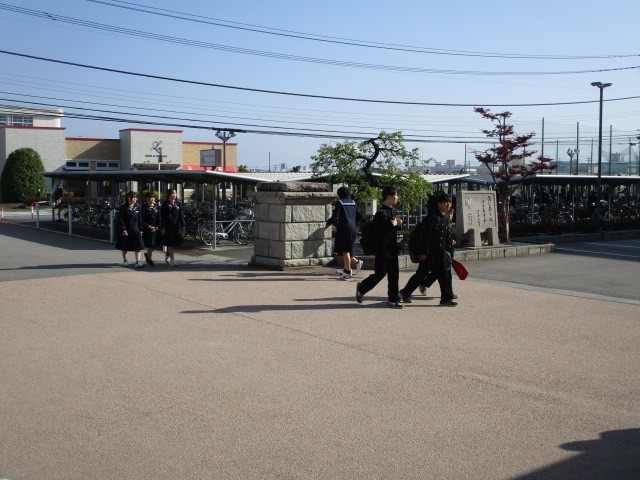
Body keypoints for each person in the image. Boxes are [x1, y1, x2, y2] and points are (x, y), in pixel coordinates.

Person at [399, 192, 456, 306]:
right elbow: (426, 236)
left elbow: (443, 236)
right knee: (421, 274)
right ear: (439, 203)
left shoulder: (444, 218)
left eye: (449, 202)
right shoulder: (432, 217)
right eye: (446, 202)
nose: (448, 204)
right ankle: (405, 292)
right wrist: (423, 252)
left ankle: (446, 298)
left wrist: (450, 241)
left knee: (445, 275)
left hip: (440, 252)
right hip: (430, 253)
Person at [355, 185, 404, 308]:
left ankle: (393, 299)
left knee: (394, 274)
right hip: (382, 249)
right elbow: (377, 232)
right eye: (395, 195)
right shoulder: (380, 213)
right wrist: (391, 224)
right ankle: (361, 288)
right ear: (389, 197)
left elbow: (391, 230)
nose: (397, 197)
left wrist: (398, 225)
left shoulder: (393, 211)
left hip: (392, 248)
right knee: (380, 273)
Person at [325, 186, 364, 280]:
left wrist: (327, 224)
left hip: (344, 228)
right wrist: (365, 223)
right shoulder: (353, 202)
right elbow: (359, 215)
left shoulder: (340, 202)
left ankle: (347, 271)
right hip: (353, 228)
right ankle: (355, 263)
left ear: (339, 194)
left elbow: (334, 217)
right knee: (348, 248)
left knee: (345, 250)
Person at [115, 191, 145, 268]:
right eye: (133, 197)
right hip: (127, 230)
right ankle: (125, 261)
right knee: (125, 246)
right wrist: (123, 229)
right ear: (128, 198)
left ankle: (138, 262)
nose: (135, 199)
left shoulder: (137, 207)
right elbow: (121, 219)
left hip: (136, 229)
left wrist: (141, 229)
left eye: (136, 198)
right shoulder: (123, 208)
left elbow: (140, 219)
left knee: (138, 246)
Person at [160, 188, 186, 267]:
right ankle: (172, 260)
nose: (174, 195)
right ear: (169, 194)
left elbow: (181, 216)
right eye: (173, 193)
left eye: (175, 193)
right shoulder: (165, 204)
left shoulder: (178, 204)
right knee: (170, 244)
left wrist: (183, 227)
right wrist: (162, 227)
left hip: (176, 227)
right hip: (168, 227)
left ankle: (168, 254)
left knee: (173, 244)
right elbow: (162, 217)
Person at [141, 192, 161, 266]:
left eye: (153, 197)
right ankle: (149, 260)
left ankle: (147, 255)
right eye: (150, 197)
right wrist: (149, 226)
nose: (152, 199)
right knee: (150, 245)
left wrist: (157, 227)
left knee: (154, 245)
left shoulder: (157, 207)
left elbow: (159, 219)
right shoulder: (144, 208)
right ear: (147, 199)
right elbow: (142, 220)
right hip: (148, 230)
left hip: (155, 229)